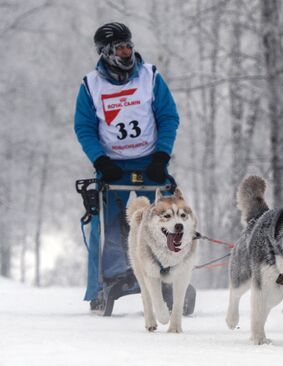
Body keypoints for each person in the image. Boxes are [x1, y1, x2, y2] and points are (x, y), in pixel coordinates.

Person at [74, 22, 180, 310]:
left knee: (164, 220)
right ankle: (106, 282)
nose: (126, 51)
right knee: (107, 225)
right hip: (112, 167)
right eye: (119, 48)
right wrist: (100, 160)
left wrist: (162, 156)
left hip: (151, 163)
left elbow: (168, 117)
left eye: (128, 46)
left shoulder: (150, 76)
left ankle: (166, 270)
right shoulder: (90, 85)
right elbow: (84, 127)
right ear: (106, 53)